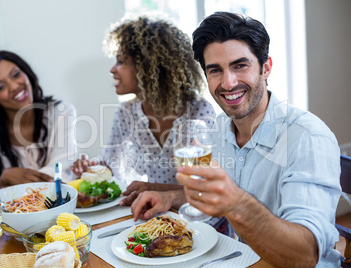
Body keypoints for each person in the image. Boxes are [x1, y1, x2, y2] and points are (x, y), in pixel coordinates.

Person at [130, 12, 341, 267]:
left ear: (266, 68)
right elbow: (220, 193)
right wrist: (171, 198)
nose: (228, 83)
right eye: (215, 70)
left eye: (240, 65)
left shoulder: (308, 139)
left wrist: (236, 203)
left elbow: (305, 255)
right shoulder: (220, 128)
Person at [70, 15, 216, 206]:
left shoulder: (199, 111)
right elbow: (111, 162)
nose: (113, 69)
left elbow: (206, 187)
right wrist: (92, 167)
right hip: (157, 214)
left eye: (121, 61)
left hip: (199, 217)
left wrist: (152, 187)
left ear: (148, 67)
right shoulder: (126, 112)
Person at [0, 50, 76, 197]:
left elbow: (58, 174)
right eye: (0, 87)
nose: (14, 86)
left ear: (26, 73)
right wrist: (4, 178)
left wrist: (6, 186)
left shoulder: (61, 112)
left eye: (16, 74)